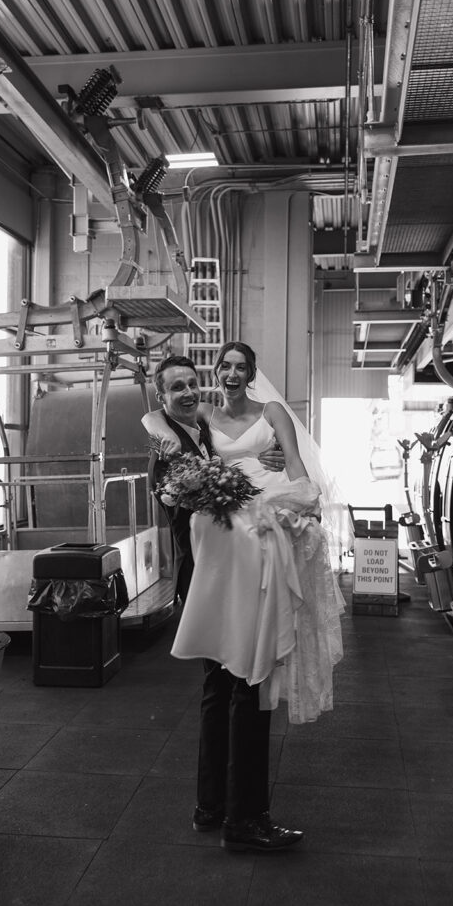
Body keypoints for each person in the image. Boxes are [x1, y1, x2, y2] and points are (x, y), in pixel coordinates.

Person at [144, 344, 344, 851]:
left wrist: (266, 463)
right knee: (248, 687)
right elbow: (186, 489)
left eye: (192, 383)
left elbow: (265, 467)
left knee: (220, 691)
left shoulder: (202, 431)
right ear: (163, 395)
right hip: (225, 573)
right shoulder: (173, 441)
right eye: (177, 387)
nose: (189, 392)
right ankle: (245, 820)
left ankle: (211, 806)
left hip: (225, 568)